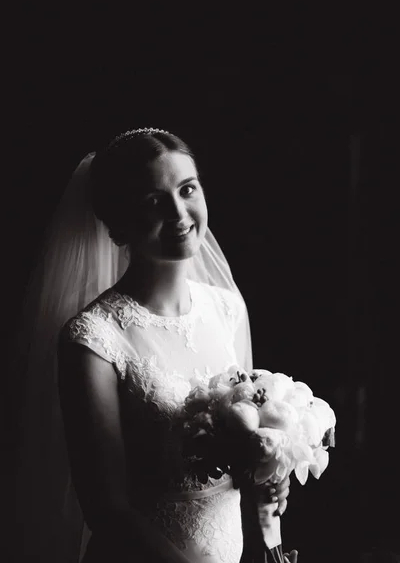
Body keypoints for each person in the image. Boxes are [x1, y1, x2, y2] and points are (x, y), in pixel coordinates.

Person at [10, 128, 297, 563]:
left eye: (187, 189)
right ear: (117, 225)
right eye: (153, 201)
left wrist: (268, 470)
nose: (179, 213)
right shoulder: (94, 339)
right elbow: (106, 508)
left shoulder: (226, 308)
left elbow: (238, 450)